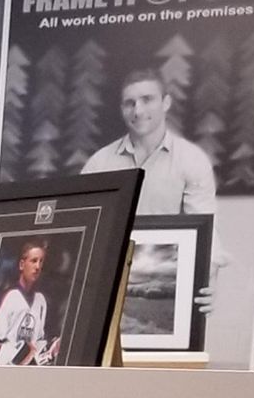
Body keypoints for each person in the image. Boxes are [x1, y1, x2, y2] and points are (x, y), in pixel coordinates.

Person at [81, 67, 221, 313]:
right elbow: (84, 231)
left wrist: (209, 282)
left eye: (147, 99)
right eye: (129, 103)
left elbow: (205, 231)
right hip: (104, 286)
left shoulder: (192, 160)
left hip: (165, 281)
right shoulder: (98, 164)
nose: (138, 111)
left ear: (166, 102)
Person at [0, 240, 59, 365]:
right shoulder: (6, 298)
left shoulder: (41, 301)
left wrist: (49, 349)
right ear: (22, 265)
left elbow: (37, 346)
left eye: (41, 262)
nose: (37, 267)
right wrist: (22, 354)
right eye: (33, 261)